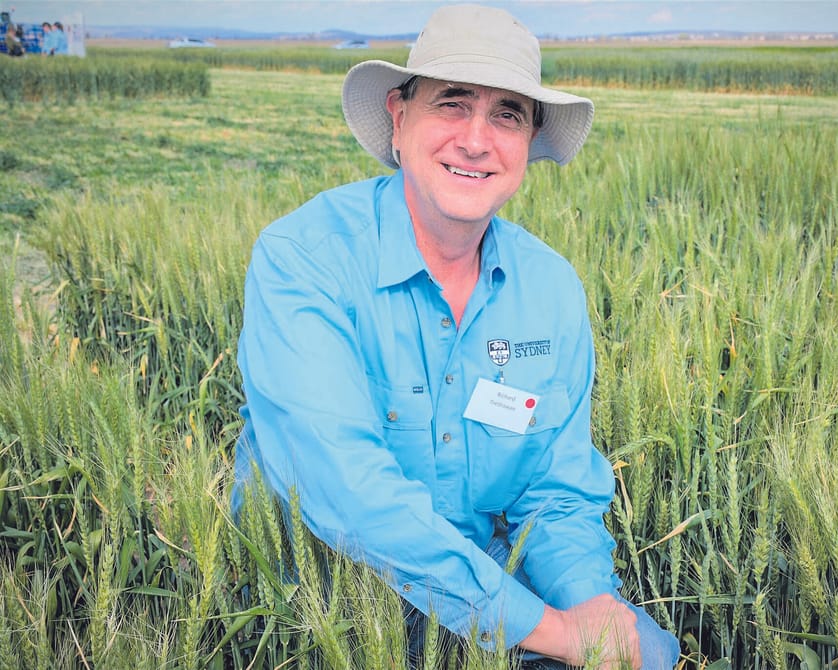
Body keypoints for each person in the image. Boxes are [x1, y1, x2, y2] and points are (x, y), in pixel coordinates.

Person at [231, 4, 681, 669]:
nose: (476, 139)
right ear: (399, 115)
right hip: (319, 607)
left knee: (651, 653)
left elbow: (556, 494)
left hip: (483, 582)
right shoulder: (304, 259)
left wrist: (590, 608)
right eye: (452, 103)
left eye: (507, 114)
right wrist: (555, 635)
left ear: (528, 140)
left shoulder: (549, 288)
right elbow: (352, 496)